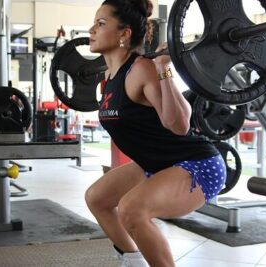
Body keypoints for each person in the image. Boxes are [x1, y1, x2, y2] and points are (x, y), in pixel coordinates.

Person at [85, 0, 227, 266]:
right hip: (157, 165)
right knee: (97, 198)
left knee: (131, 209)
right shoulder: (111, 74)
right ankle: (133, 260)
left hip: (197, 163)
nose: (91, 29)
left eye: (101, 24)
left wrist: (165, 69)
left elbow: (179, 125)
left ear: (124, 34)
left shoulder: (141, 69)